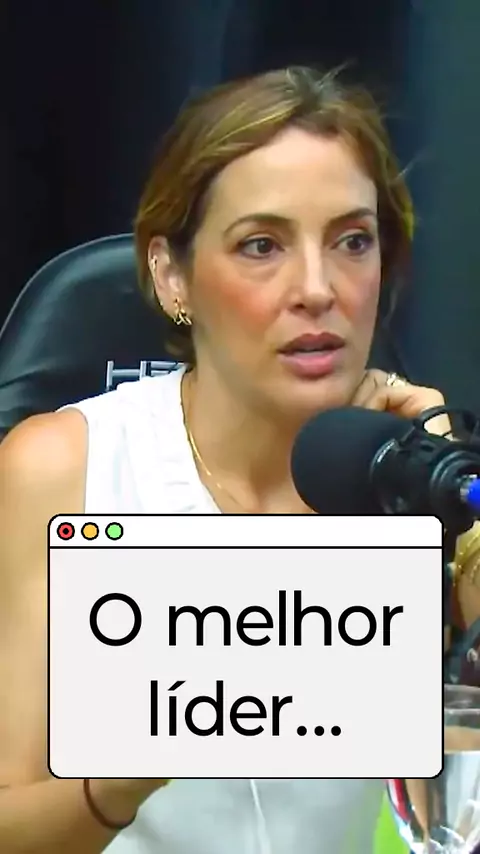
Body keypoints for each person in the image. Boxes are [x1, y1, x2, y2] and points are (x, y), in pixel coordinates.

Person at [0, 65, 479, 854]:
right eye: (262, 245)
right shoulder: (63, 470)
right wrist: (120, 777)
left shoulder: (421, 481)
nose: (318, 289)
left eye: (352, 241)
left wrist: (451, 500)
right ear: (171, 275)